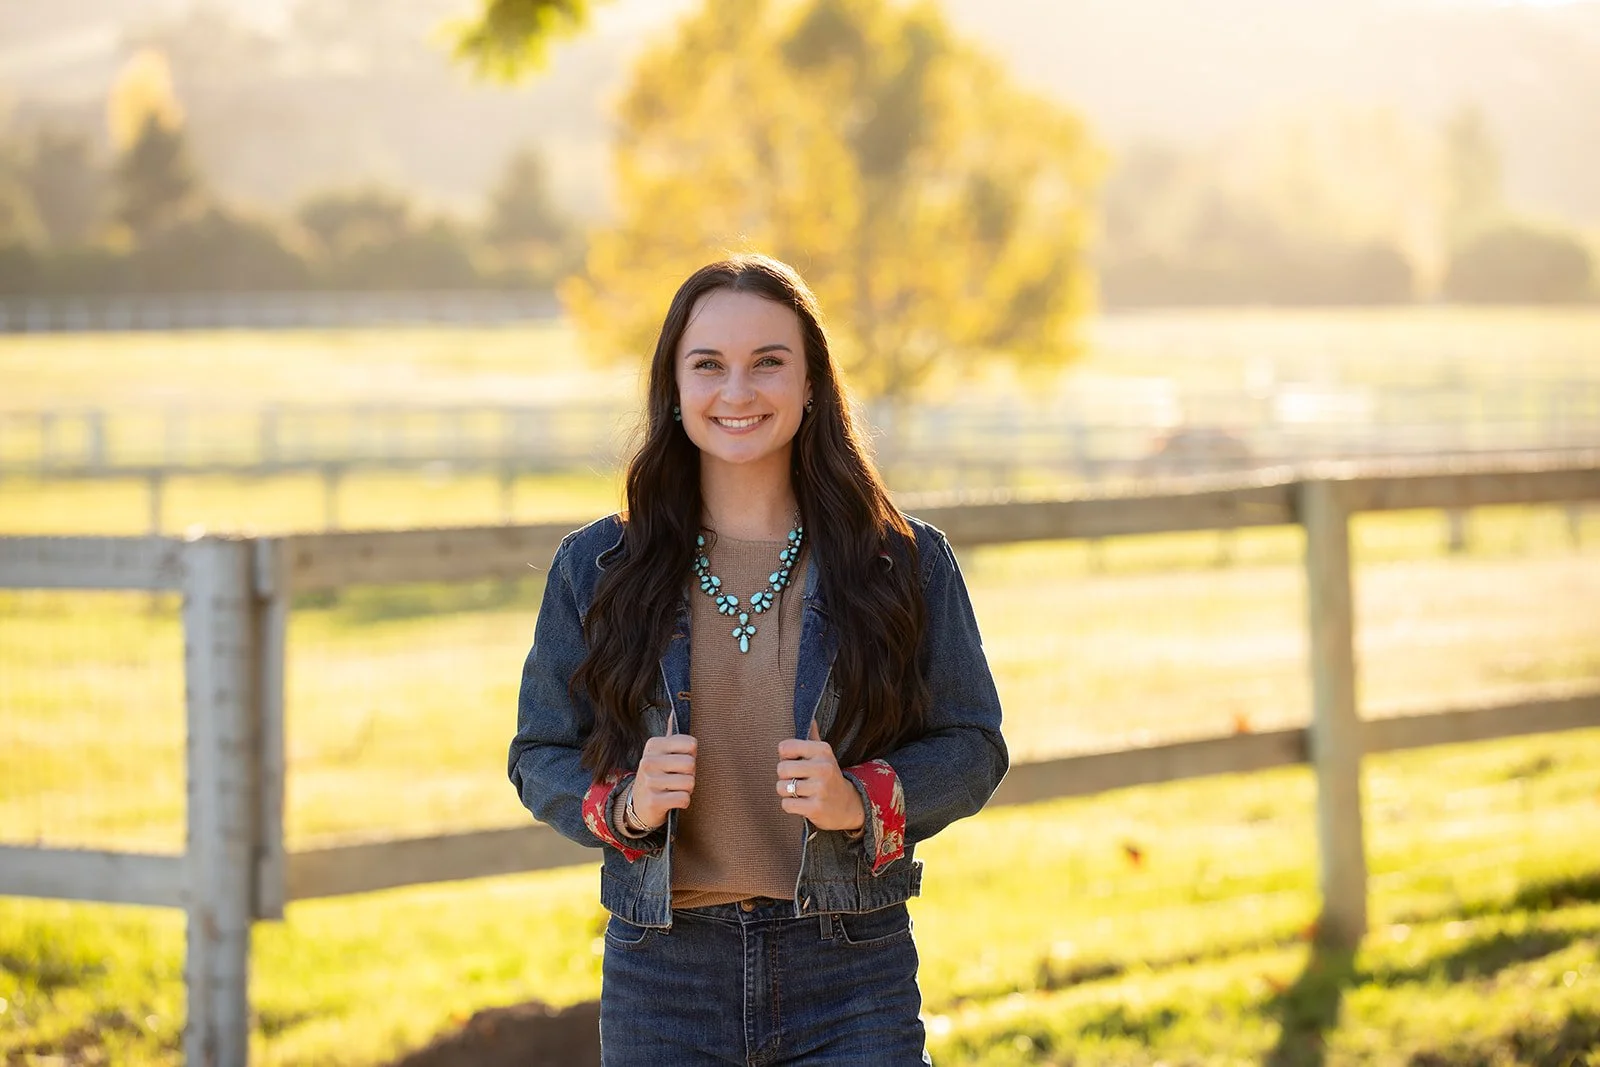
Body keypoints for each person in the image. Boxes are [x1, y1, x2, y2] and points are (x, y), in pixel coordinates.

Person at [509, 254, 1007, 1065]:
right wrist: (625, 806)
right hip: (663, 974)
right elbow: (539, 754)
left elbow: (974, 745)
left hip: (852, 965)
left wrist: (859, 799)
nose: (736, 392)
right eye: (708, 365)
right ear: (673, 389)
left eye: (768, 363)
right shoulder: (597, 567)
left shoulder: (904, 561)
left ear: (812, 385)